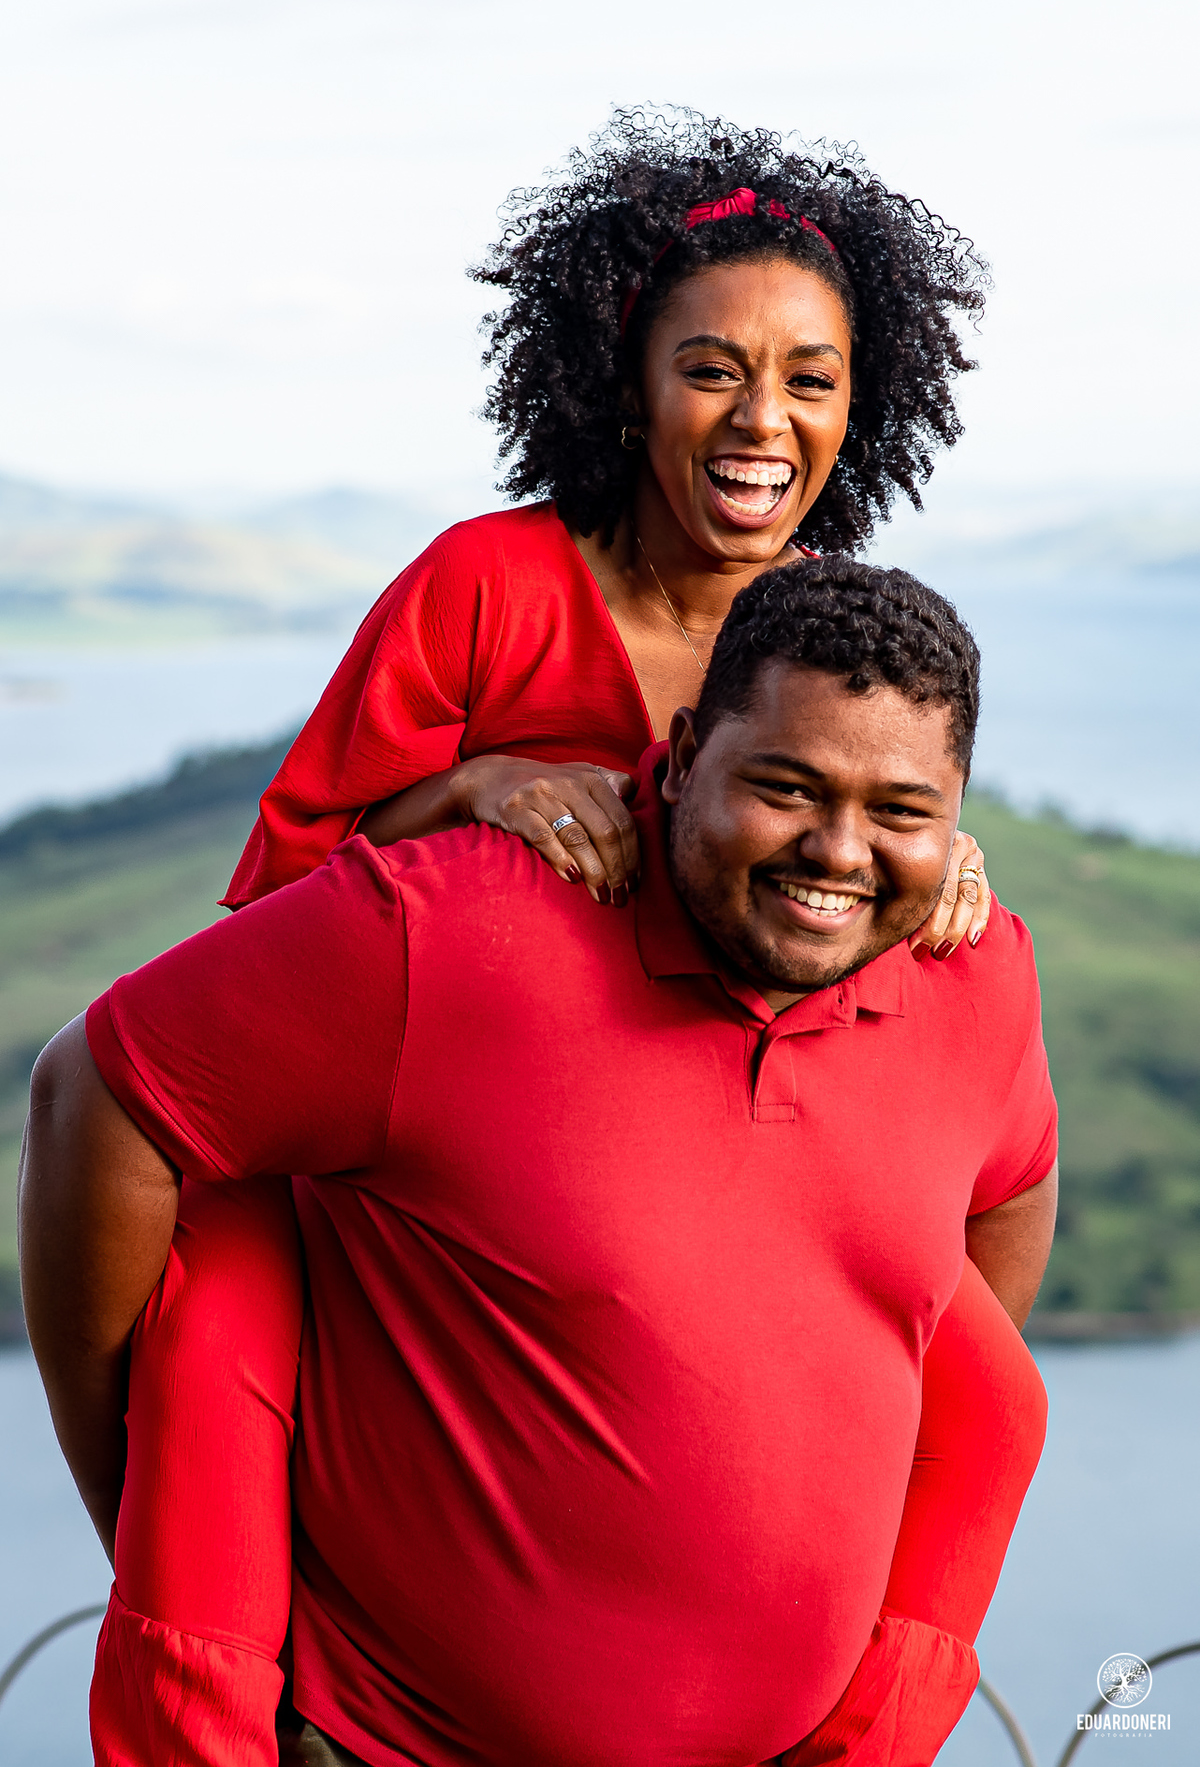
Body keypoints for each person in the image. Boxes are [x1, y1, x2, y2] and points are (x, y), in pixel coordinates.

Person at [31, 109, 1036, 1764]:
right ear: (623, 380)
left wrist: (930, 855)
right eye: (712, 367)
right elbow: (288, 901)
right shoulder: (490, 583)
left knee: (992, 1398)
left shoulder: (818, 619)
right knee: (212, 1347)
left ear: (867, 401)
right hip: (390, 1144)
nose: (764, 417)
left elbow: (859, 802)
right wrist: (469, 789)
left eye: (813, 378)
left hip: (692, 1128)